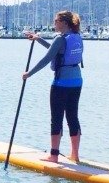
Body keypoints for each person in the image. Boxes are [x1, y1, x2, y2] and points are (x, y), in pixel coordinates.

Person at [22, 10, 84, 163]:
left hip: (61, 83)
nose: (54, 23)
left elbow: (47, 58)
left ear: (64, 22)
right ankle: (75, 156)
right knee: (72, 117)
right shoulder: (76, 37)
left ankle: (54, 156)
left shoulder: (60, 39)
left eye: (56, 21)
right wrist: (38, 39)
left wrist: (29, 74)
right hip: (77, 82)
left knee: (56, 118)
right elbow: (58, 51)